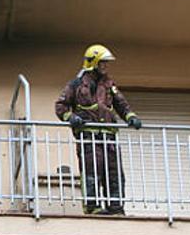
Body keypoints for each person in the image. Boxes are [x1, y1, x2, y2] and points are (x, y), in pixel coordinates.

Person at [55, 44, 142, 215]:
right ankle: (92, 207)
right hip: (89, 136)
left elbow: (121, 104)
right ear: (93, 62)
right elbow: (61, 106)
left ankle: (116, 208)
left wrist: (131, 116)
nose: (105, 66)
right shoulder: (77, 84)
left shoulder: (109, 84)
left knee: (114, 172)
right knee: (92, 170)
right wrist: (71, 118)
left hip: (109, 137)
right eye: (102, 62)